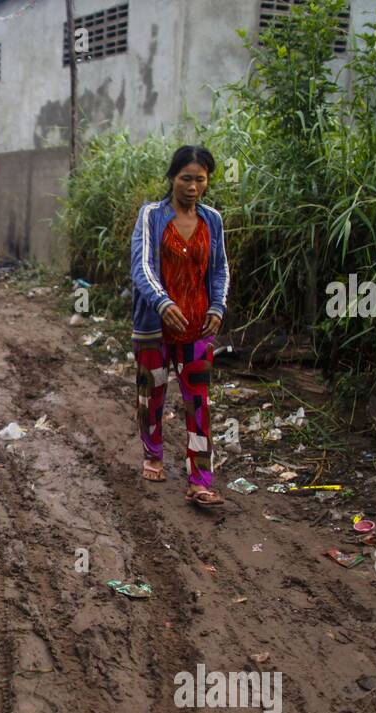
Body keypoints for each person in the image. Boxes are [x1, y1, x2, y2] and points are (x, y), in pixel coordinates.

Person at [130, 145, 230, 508]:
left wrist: (218, 305)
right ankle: (153, 454)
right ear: (172, 177)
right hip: (154, 327)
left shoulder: (212, 220)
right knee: (151, 395)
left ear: (207, 182)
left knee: (198, 403)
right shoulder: (151, 215)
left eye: (199, 180)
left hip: (198, 328)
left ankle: (200, 479)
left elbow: (220, 268)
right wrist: (163, 301)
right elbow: (141, 266)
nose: (192, 186)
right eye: (185, 178)